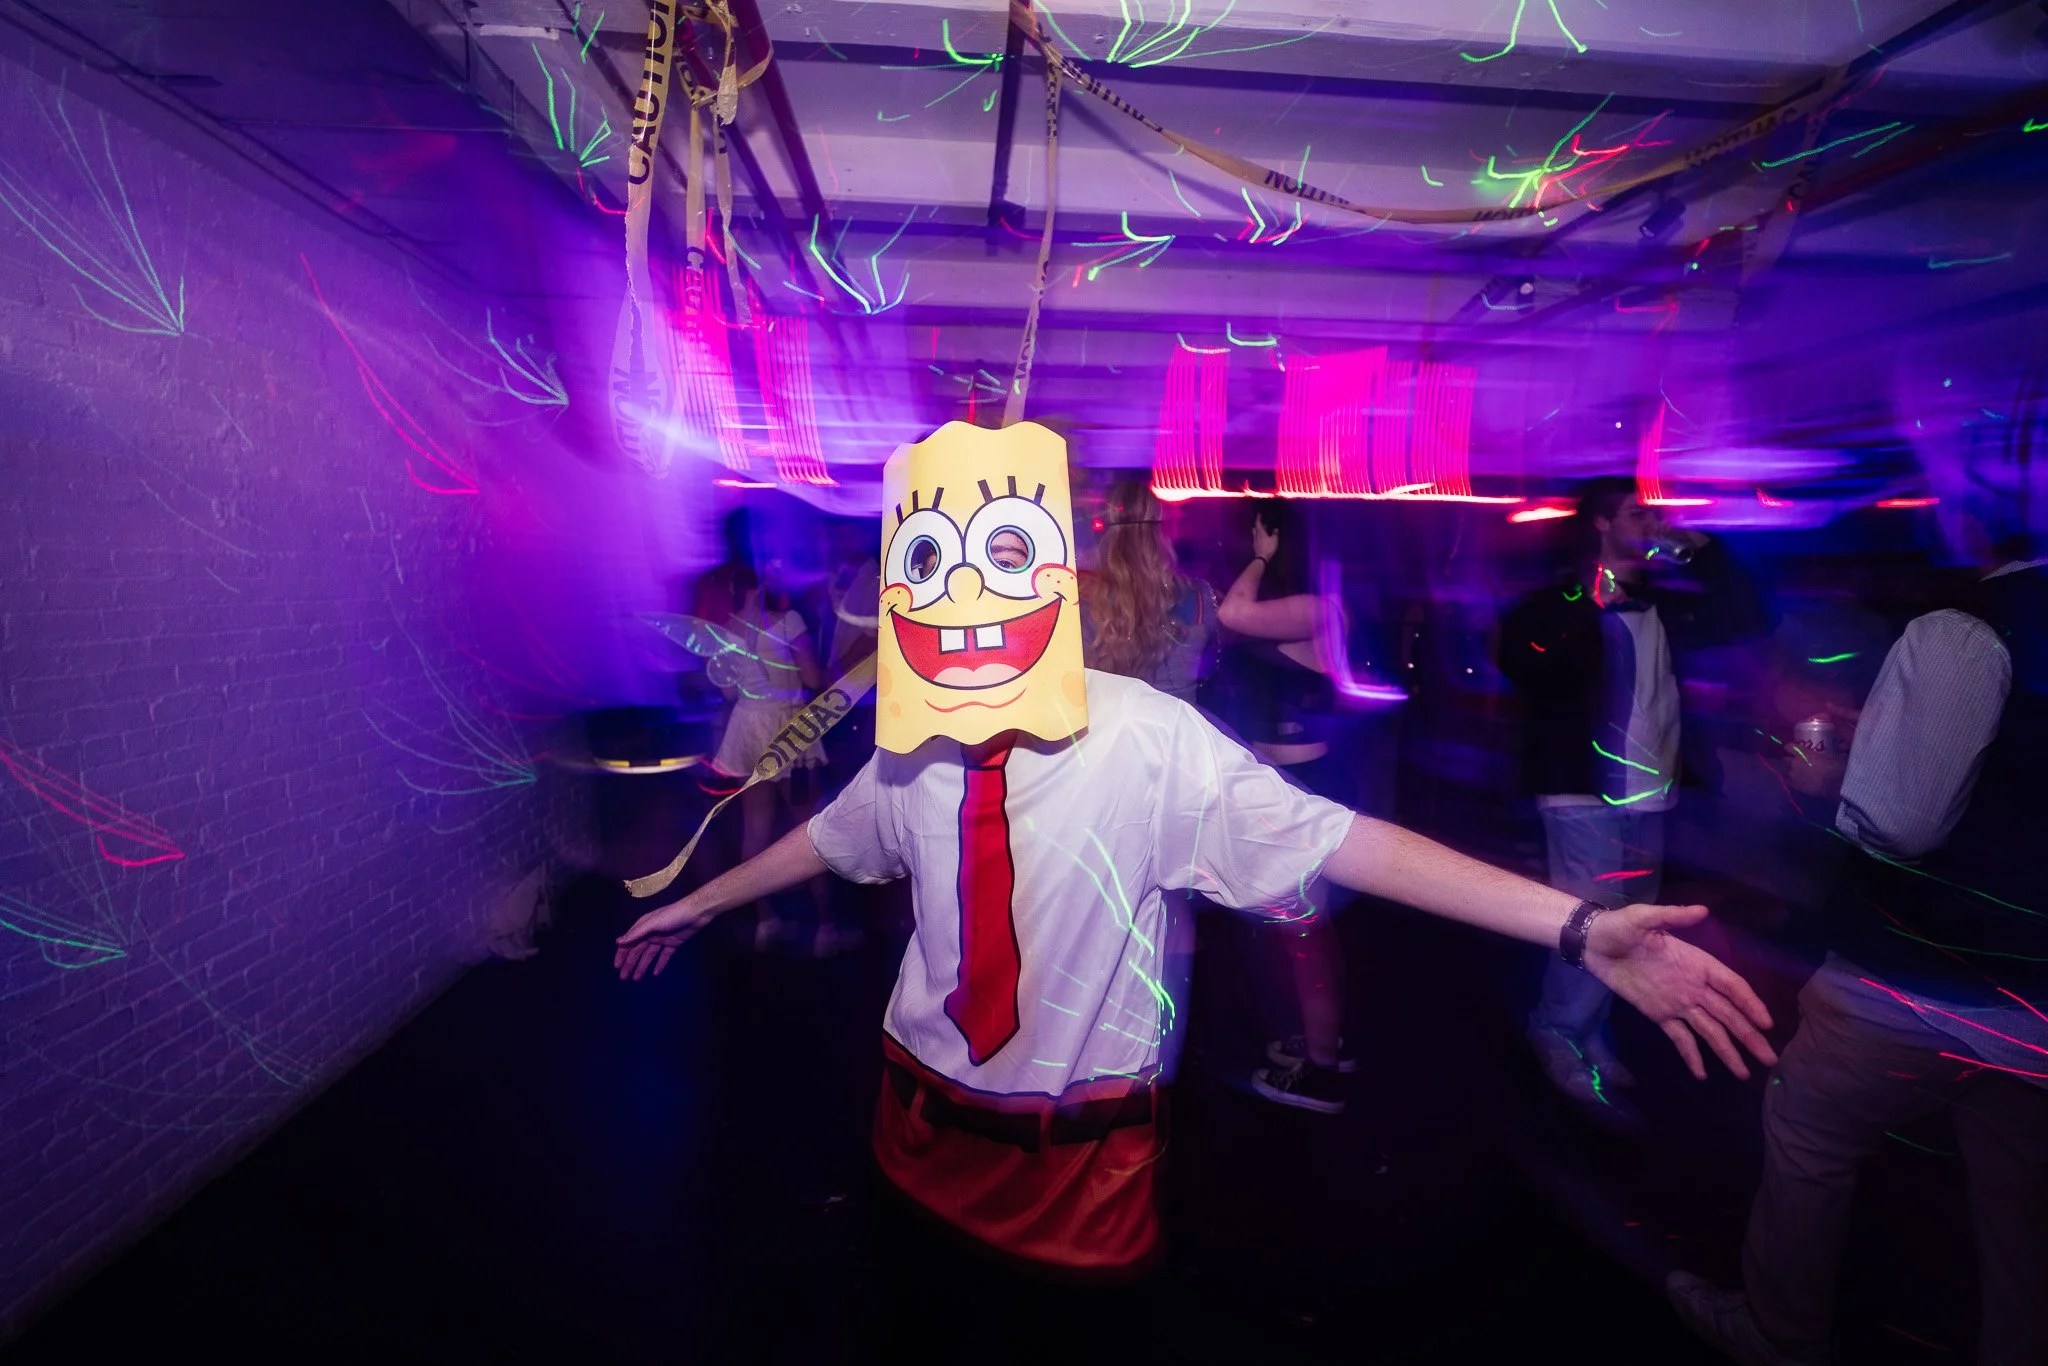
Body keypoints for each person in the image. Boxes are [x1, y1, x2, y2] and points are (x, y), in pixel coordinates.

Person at [616, 422, 1777, 1300]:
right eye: (934, 565)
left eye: (1003, 558)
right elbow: (829, 836)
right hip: (911, 1134)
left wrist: (1576, 925)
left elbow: (1349, 841)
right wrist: (697, 900)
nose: (965, 594)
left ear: (1056, 580)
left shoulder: (1144, 733)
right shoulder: (913, 744)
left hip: (1080, 1175)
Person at [1668, 495, 2048, 1366]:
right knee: (2020, 1202)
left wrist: (1837, 769)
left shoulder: (1963, 630)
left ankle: (1779, 1333)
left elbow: (1897, 822)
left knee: (1807, 1131)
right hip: (2036, 993)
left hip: (1921, 976)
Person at [1496, 476, 1768, 1113]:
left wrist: (1697, 545)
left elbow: (1750, 616)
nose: (1650, 523)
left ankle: (1589, 1031)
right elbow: (1522, 660)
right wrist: (1590, 600)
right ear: (1600, 523)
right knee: (1592, 919)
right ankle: (1557, 1032)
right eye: (1636, 513)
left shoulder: (1668, 600)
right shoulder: (1561, 599)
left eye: (1653, 514)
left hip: (1651, 788)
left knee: (1631, 925)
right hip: (1580, 788)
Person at [1208, 502, 1357, 1113]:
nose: (1246, 540)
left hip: (1305, 783)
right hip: (1290, 780)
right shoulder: (1298, 607)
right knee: (1301, 930)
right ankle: (1324, 1040)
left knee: (1305, 932)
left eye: (1257, 531)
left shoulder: (1318, 607)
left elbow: (1231, 614)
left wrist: (1260, 557)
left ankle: (1322, 1072)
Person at [700, 555, 830, 951]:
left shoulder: (725, 633)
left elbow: (727, 693)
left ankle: (767, 922)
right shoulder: (789, 622)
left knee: (754, 829)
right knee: (809, 829)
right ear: (762, 583)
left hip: (747, 726)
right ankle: (827, 927)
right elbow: (813, 678)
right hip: (786, 727)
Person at [1081, 479, 1218, 705]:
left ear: (1103, 534)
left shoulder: (1084, 600)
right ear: (1163, 531)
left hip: (1116, 724)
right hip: (1180, 724)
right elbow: (1211, 664)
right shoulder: (1200, 595)